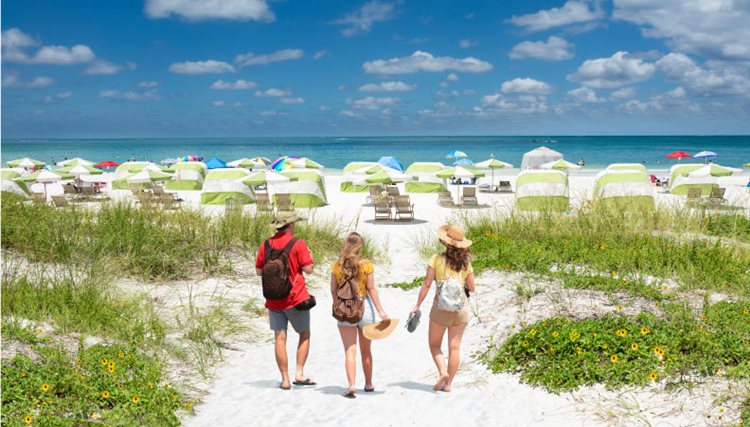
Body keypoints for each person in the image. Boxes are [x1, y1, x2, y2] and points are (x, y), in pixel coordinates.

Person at [410, 224, 475, 392]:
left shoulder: (437, 259)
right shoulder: (466, 264)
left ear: (445, 243)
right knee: (454, 348)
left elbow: (426, 284)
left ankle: (442, 372)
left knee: (434, 345)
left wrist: (417, 305)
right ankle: (449, 384)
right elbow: (472, 287)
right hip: (460, 310)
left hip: (440, 309)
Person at [256, 212, 315, 390]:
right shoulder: (298, 243)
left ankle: (285, 379)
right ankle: (299, 372)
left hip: (273, 299)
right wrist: (311, 257)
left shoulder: (265, 244)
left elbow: (259, 271)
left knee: (279, 338)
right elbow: (308, 269)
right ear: (290, 225)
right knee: (304, 334)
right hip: (296, 298)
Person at [331, 232, 389, 399]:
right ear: (360, 246)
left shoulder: (337, 266)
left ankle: (351, 385)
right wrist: (381, 311)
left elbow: (333, 290)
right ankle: (369, 383)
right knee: (366, 350)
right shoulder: (366, 265)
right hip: (364, 310)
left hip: (344, 311)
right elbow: (371, 289)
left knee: (350, 350)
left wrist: (337, 305)